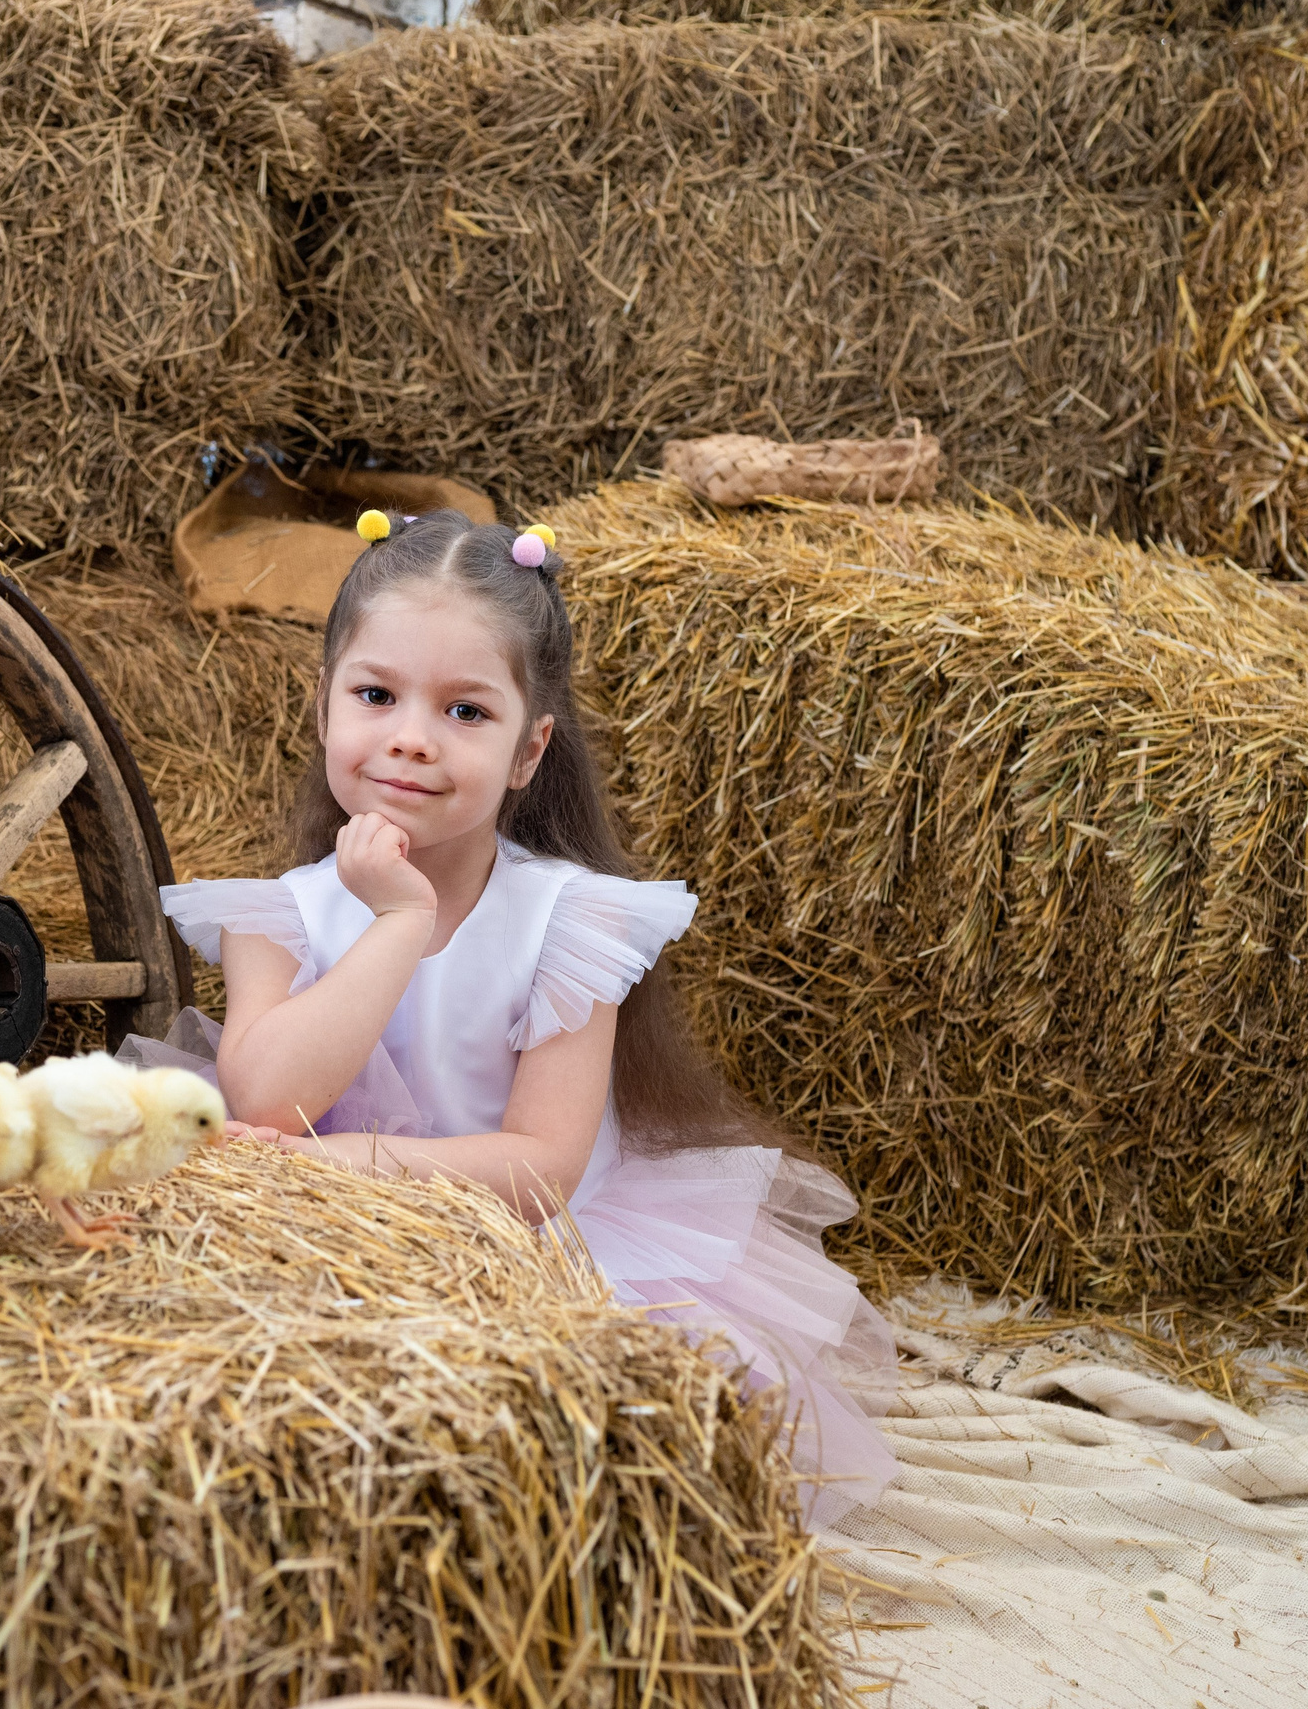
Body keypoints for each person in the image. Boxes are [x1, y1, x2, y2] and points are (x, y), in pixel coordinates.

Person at [121, 507, 897, 1530]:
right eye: (375, 694)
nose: (410, 735)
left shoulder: (567, 919)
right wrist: (395, 925)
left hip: (535, 1245)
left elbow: (543, 1165)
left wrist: (351, 1162)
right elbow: (265, 1093)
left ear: (529, 750)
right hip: (323, 1232)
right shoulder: (281, 911)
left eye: (466, 713)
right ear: (322, 707)